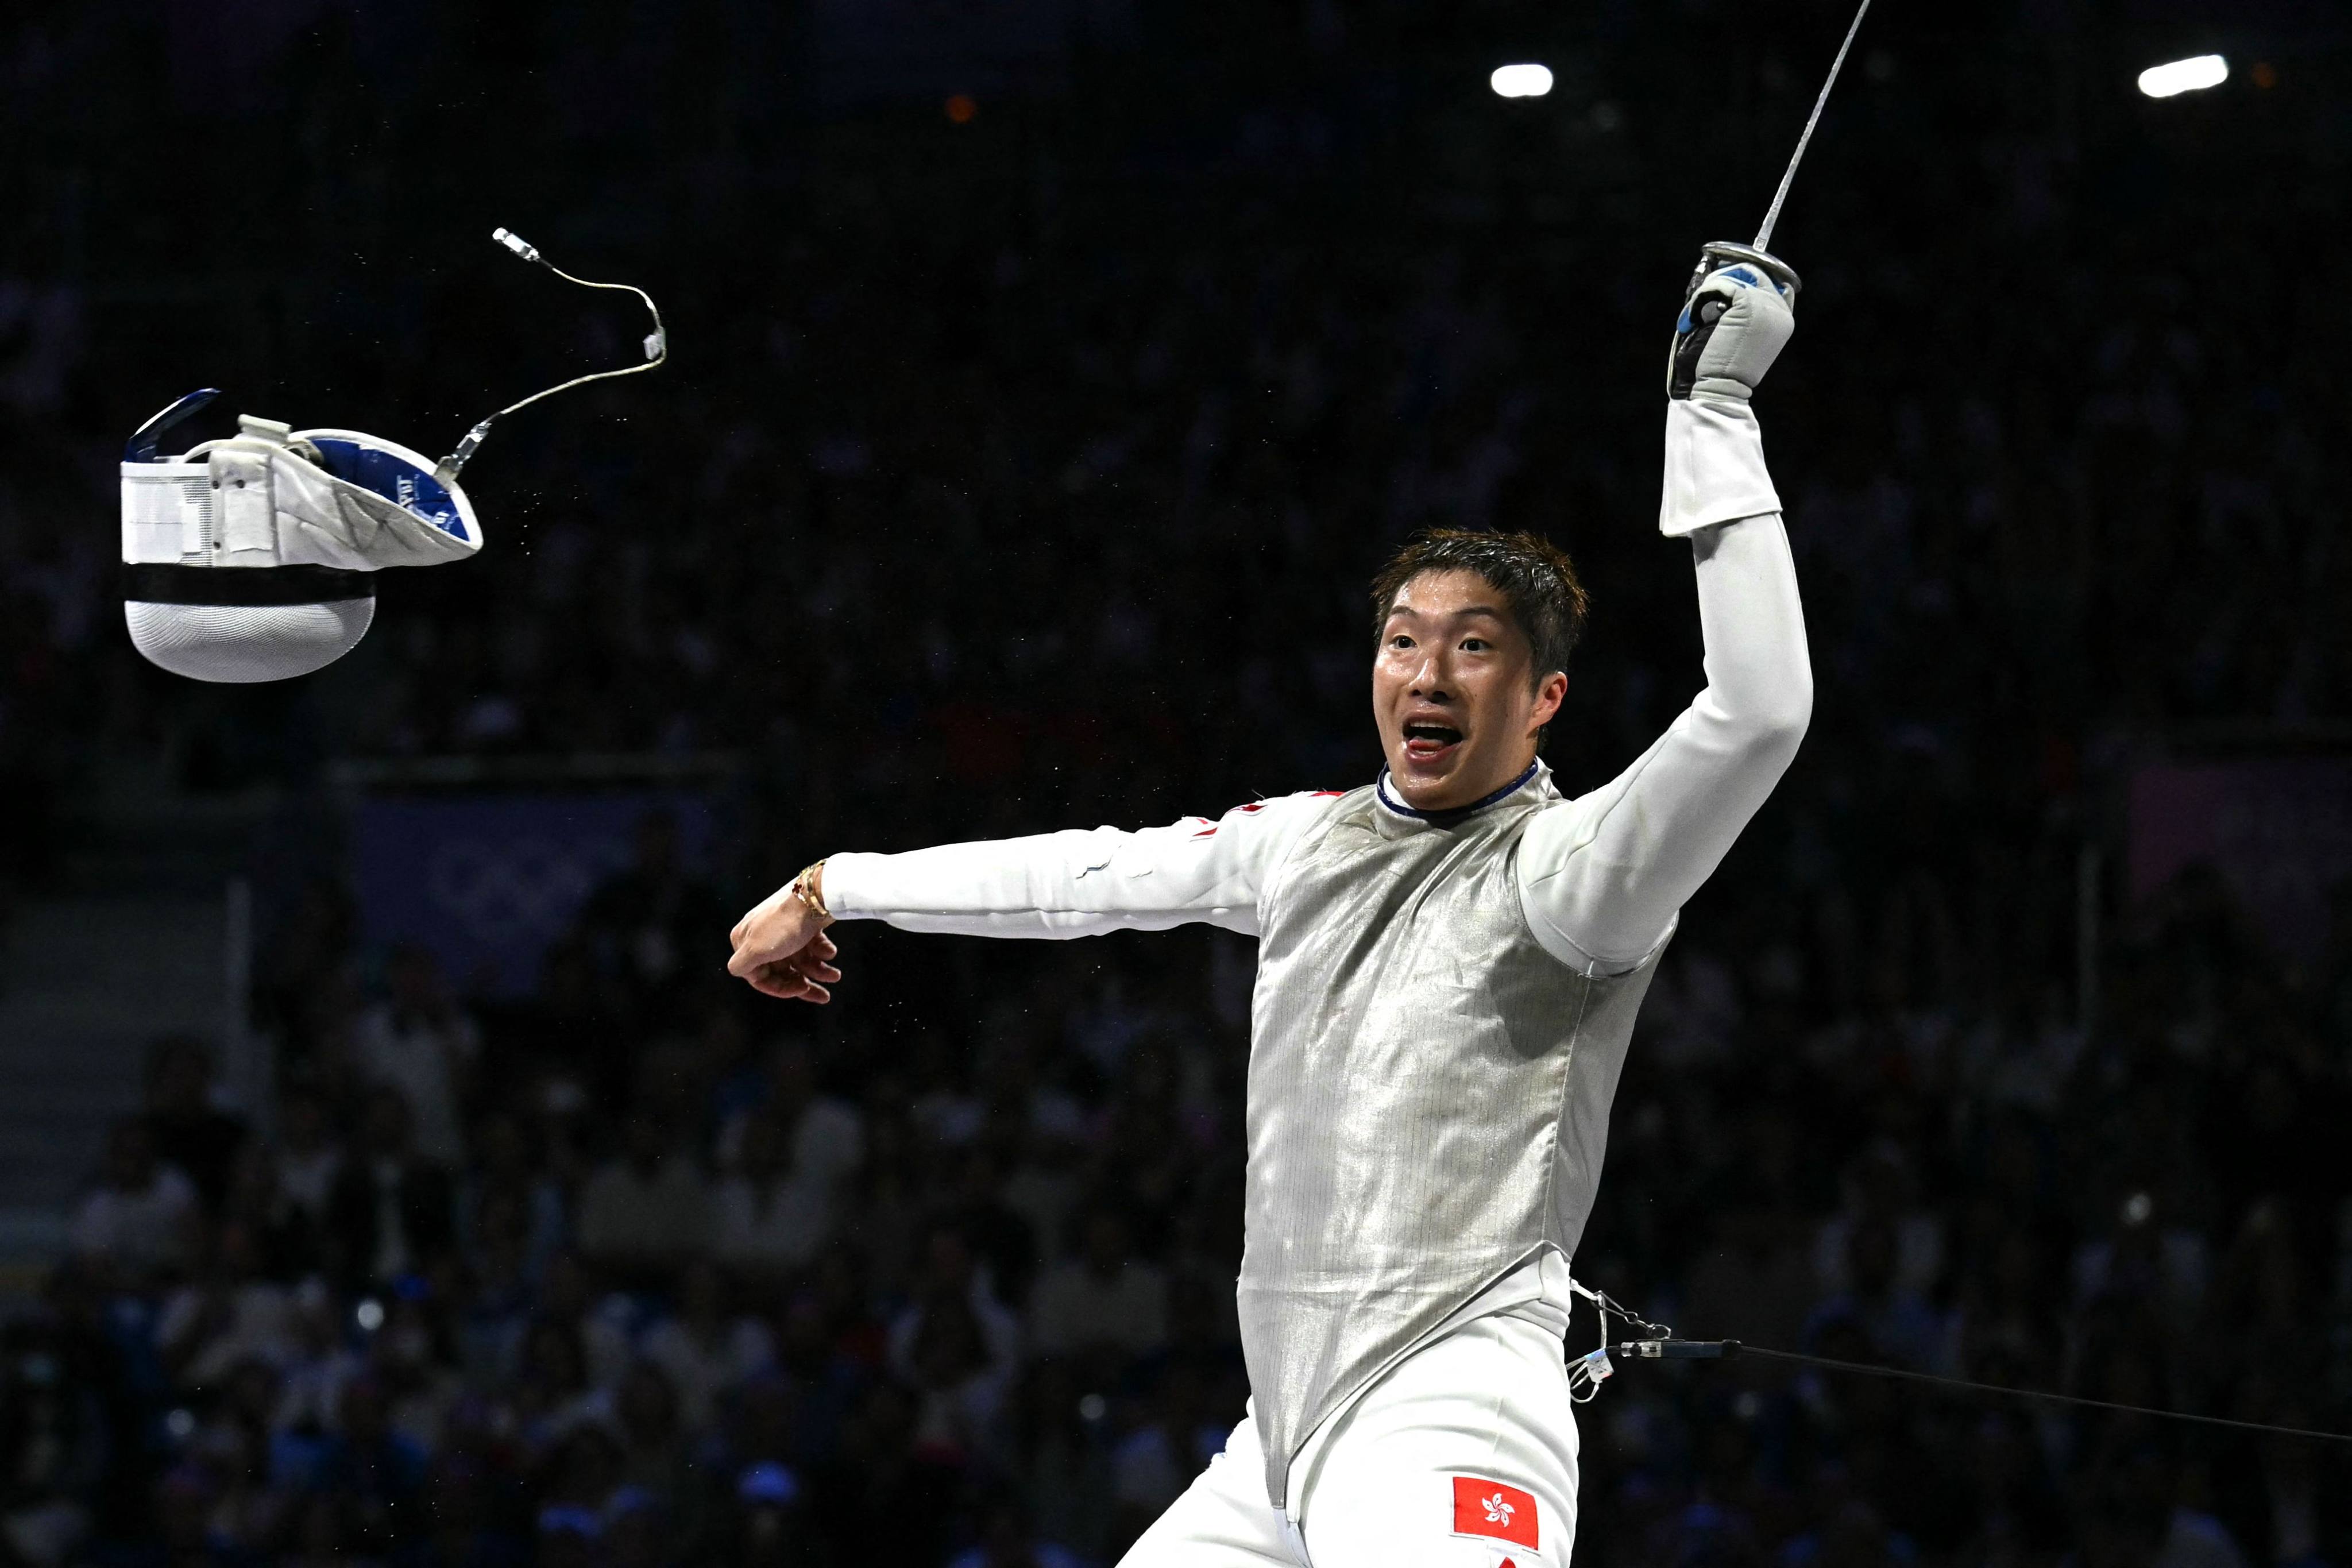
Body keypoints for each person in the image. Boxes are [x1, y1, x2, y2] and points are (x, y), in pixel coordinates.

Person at [727, 258, 1812, 1566]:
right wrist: (835, 884)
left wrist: (1712, 412)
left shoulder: (1577, 874)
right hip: (1280, 1446)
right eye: (1403, 639)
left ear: (1542, 701)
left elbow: (1755, 713)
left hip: (1445, 1420)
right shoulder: (1302, 842)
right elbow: (1083, 878)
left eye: (1474, 646)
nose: (1426, 671)